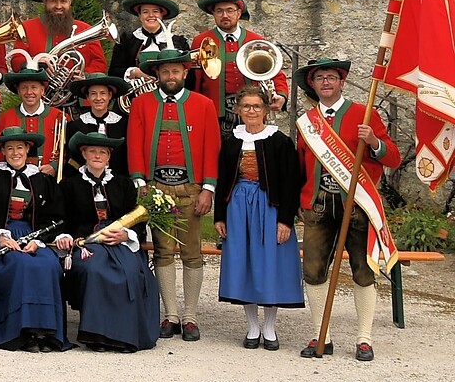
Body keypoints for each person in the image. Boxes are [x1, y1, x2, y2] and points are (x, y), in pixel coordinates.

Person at [293, 57, 395, 362]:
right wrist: (302, 200)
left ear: (342, 82)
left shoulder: (365, 115)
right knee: (313, 270)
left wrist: (374, 141)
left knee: (363, 271)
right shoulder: (306, 122)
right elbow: (301, 165)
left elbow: (393, 158)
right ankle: (320, 335)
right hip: (319, 204)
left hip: (358, 205)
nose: (326, 82)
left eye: (331, 77)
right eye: (320, 78)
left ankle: (364, 338)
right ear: (312, 84)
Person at [125, 47, 219, 341]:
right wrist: (140, 183)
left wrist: (208, 187)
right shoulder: (141, 104)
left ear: (185, 73)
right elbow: (135, 144)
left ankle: (190, 316)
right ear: (157, 75)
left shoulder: (203, 105)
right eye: (165, 72)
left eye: (175, 71)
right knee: (164, 250)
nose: (170, 76)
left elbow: (212, 147)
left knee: (192, 250)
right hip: (155, 187)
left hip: (191, 187)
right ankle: (171, 315)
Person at [214, 86, 303, 349]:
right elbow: (222, 181)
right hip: (238, 206)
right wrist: (220, 216)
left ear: (266, 110)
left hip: (269, 207)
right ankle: (252, 327)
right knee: (245, 264)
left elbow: (291, 183)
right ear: (238, 110)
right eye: (246, 106)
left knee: (269, 265)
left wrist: (285, 220)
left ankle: (270, 328)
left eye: (256, 106)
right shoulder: (231, 141)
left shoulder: (280, 141)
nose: (251, 111)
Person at [56, 132, 158, 352]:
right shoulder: (69, 185)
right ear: (83, 153)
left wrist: (126, 235)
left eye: (103, 152)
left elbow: (138, 221)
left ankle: (125, 335)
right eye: (92, 151)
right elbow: (61, 220)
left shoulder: (123, 184)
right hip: (87, 245)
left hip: (120, 243)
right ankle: (97, 335)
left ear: (109, 156)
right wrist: (66, 237)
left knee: (130, 272)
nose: (97, 155)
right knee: (94, 269)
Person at [0, 127, 66, 351]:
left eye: (19, 147)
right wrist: (1, 236)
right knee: (20, 263)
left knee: (49, 264)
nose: (15, 152)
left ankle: (45, 332)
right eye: (10, 148)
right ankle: (20, 332)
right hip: (1, 237)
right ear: (2, 151)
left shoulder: (43, 179)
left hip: (33, 236)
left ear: (27, 149)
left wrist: (39, 240)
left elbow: (55, 217)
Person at [192, 0, 290, 119]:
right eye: (219, 11)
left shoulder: (255, 40)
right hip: (214, 111)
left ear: (239, 13)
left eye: (230, 10)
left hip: (253, 110)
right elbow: (194, 79)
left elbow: (274, 73)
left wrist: (281, 95)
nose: (225, 15)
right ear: (213, 14)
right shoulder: (201, 41)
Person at [18, 0, 105, 78]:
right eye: (53, 1)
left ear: (70, 1)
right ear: (45, 2)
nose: (59, 6)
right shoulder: (27, 28)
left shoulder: (86, 29)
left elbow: (100, 63)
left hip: (77, 90)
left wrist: (84, 75)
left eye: (63, 1)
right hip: (37, 91)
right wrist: (34, 61)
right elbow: (17, 60)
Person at [107, 0, 183, 80]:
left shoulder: (179, 42)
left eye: (155, 11)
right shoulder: (126, 40)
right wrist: (134, 72)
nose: (151, 15)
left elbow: (187, 74)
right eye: (145, 12)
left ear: (162, 15)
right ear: (139, 16)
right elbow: (114, 72)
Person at [0, 67, 63, 162]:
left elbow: (65, 150)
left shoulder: (59, 116)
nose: (29, 92)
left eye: (34, 87)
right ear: (18, 91)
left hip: (50, 174)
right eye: (24, 88)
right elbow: (0, 150)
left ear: (42, 90)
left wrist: (53, 167)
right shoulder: (5, 117)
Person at [71, 74, 131, 145]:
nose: (98, 98)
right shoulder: (76, 126)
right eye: (93, 93)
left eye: (103, 93)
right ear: (87, 96)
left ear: (110, 95)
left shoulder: (124, 125)